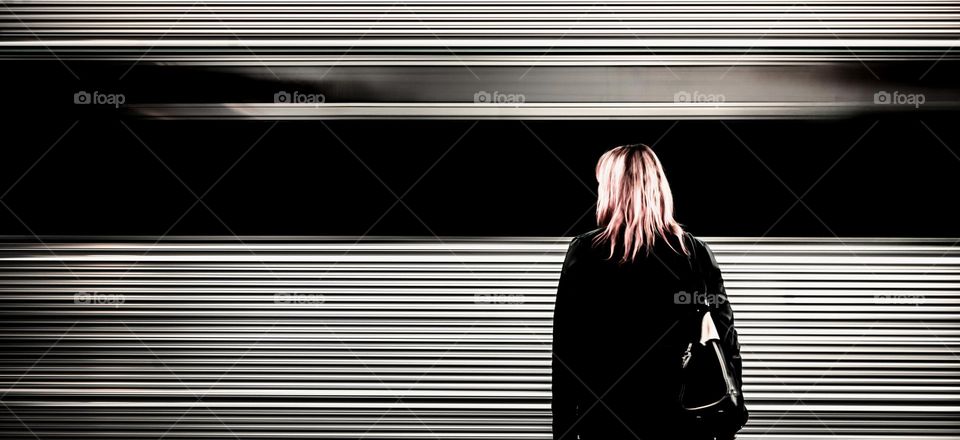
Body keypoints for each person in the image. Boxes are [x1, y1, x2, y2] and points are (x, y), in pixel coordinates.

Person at [551, 144, 748, 440]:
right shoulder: (694, 253)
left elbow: (567, 350)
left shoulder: (587, 252)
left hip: (606, 421)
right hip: (682, 421)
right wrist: (729, 411)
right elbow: (725, 339)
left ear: (613, 189)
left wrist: (563, 431)